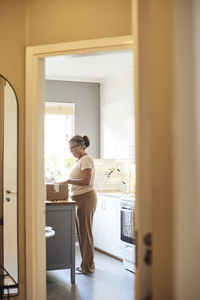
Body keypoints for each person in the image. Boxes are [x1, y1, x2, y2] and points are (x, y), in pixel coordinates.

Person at [65, 135, 97, 274]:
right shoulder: (79, 161)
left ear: (81, 146)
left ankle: (87, 267)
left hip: (86, 198)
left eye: (73, 147)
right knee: (82, 233)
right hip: (79, 199)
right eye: (70, 148)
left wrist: (68, 181)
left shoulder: (86, 160)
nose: (71, 150)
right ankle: (86, 265)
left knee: (85, 233)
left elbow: (86, 181)